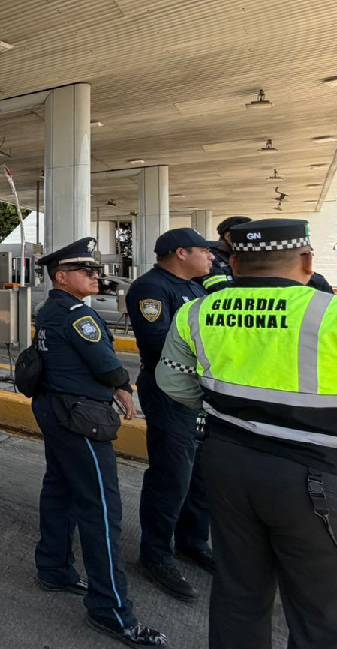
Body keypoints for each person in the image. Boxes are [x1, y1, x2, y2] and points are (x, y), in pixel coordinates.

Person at [156, 219, 337, 649]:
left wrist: (228, 408)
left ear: (235, 263)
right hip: (325, 475)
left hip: (230, 463)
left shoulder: (198, 312)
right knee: (331, 620)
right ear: (306, 260)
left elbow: (173, 382)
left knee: (238, 594)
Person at [31, 237, 167, 649]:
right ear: (61, 277)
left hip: (55, 409)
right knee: (101, 509)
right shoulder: (76, 315)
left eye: (95, 269)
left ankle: (54, 567)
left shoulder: (51, 309)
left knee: (60, 489)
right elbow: (105, 363)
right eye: (85, 270)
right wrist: (123, 388)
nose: (95, 276)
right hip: (81, 417)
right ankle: (111, 610)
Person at [125, 229, 214, 601]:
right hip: (169, 390)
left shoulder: (195, 288)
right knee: (172, 474)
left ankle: (192, 540)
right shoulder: (151, 289)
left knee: (202, 474)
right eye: (204, 251)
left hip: (200, 390)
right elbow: (158, 344)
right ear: (181, 253)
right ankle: (156, 554)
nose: (211, 258)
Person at [195, 216, 247, 293]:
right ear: (228, 236)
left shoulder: (236, 254)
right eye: (247, 236)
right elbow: (219, 289)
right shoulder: (209, 257)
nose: (250, 242)